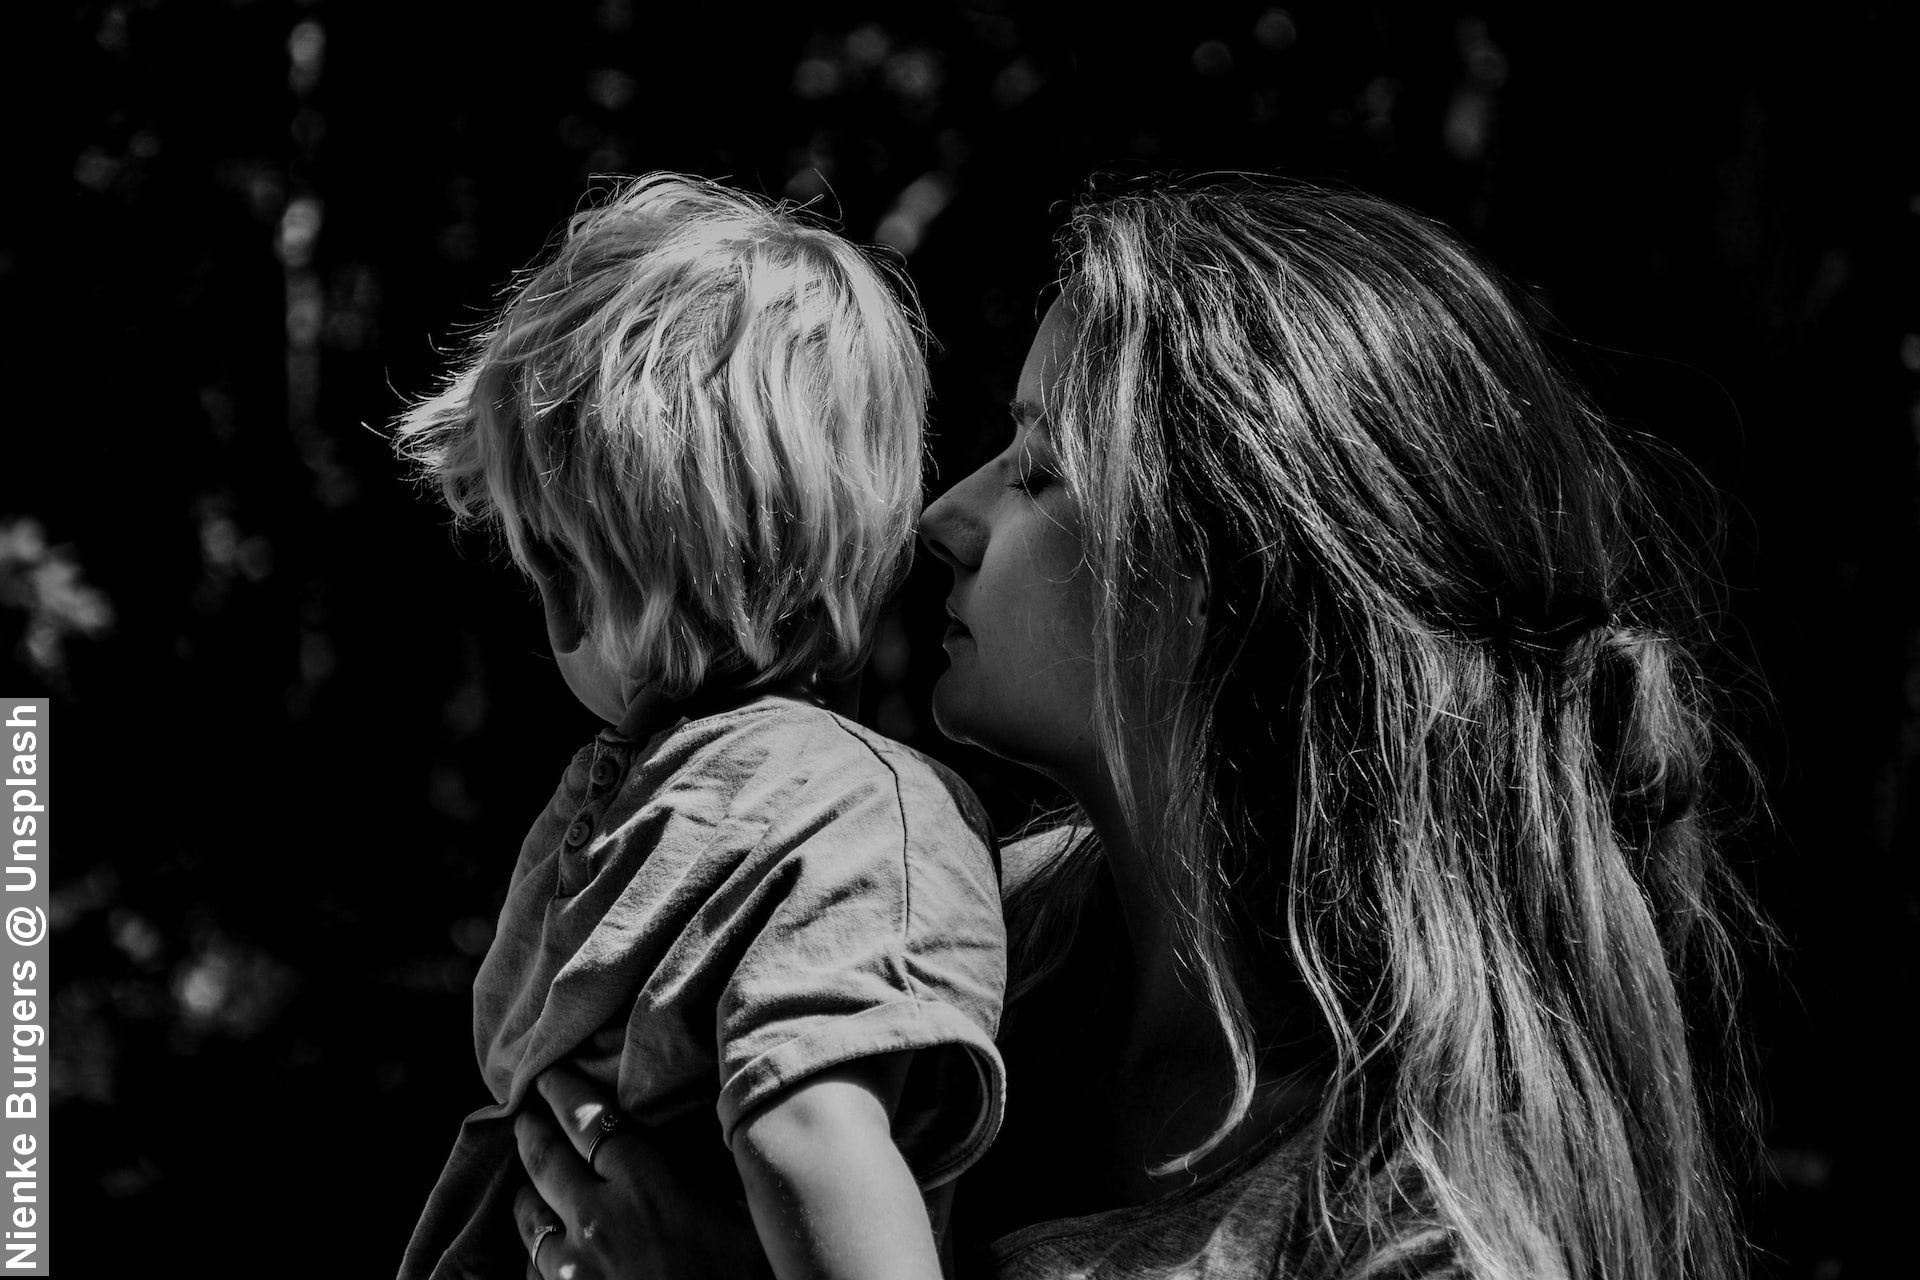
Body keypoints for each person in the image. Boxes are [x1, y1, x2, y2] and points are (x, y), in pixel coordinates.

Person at [507, 177, 1765, 1280]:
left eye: (1043, 468)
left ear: (1239, 574)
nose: (944, 516)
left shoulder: (1423, 1228)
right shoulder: (925, 944)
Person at [390, 173, 1009, 1280]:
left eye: (543, 561)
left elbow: (806, 1129)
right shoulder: (802, 804)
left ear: (573, 583)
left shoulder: (835, 816)